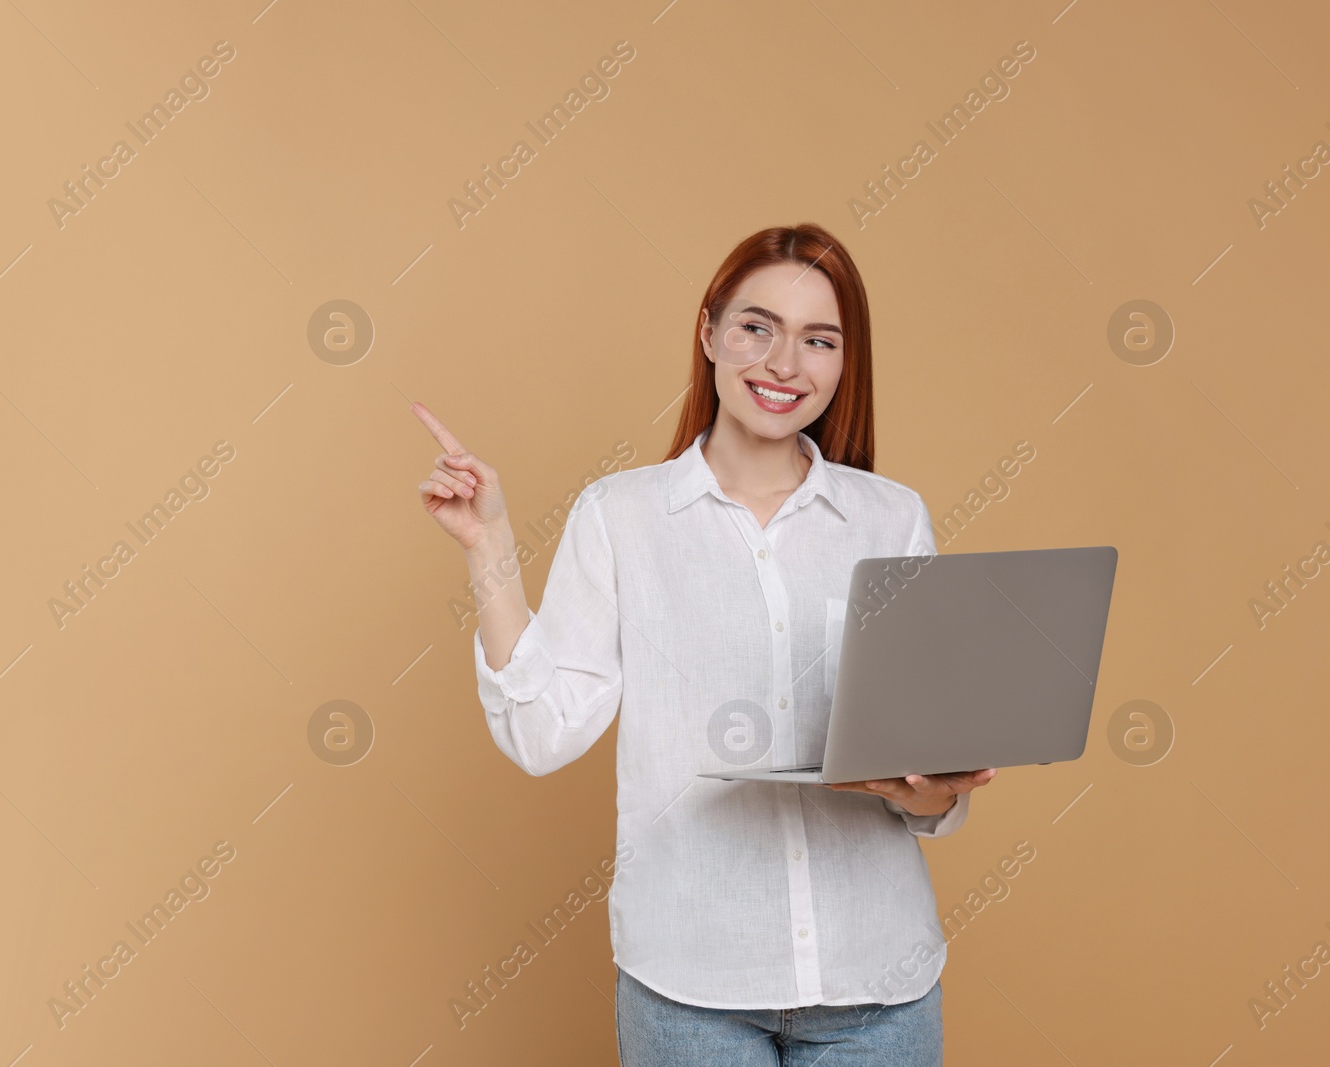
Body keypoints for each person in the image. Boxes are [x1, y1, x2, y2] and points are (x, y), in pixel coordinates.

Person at [414, 222, 996, 1065]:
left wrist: (933, 794)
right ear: (710, 332)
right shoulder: (620, 516)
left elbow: (930, 780)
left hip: (880, 984)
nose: (784, 364)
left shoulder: (891, 518)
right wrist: (490, 551)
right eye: (757, 327)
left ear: (845, 360)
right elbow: (543, 734)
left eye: (819, 340)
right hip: (691, 991)